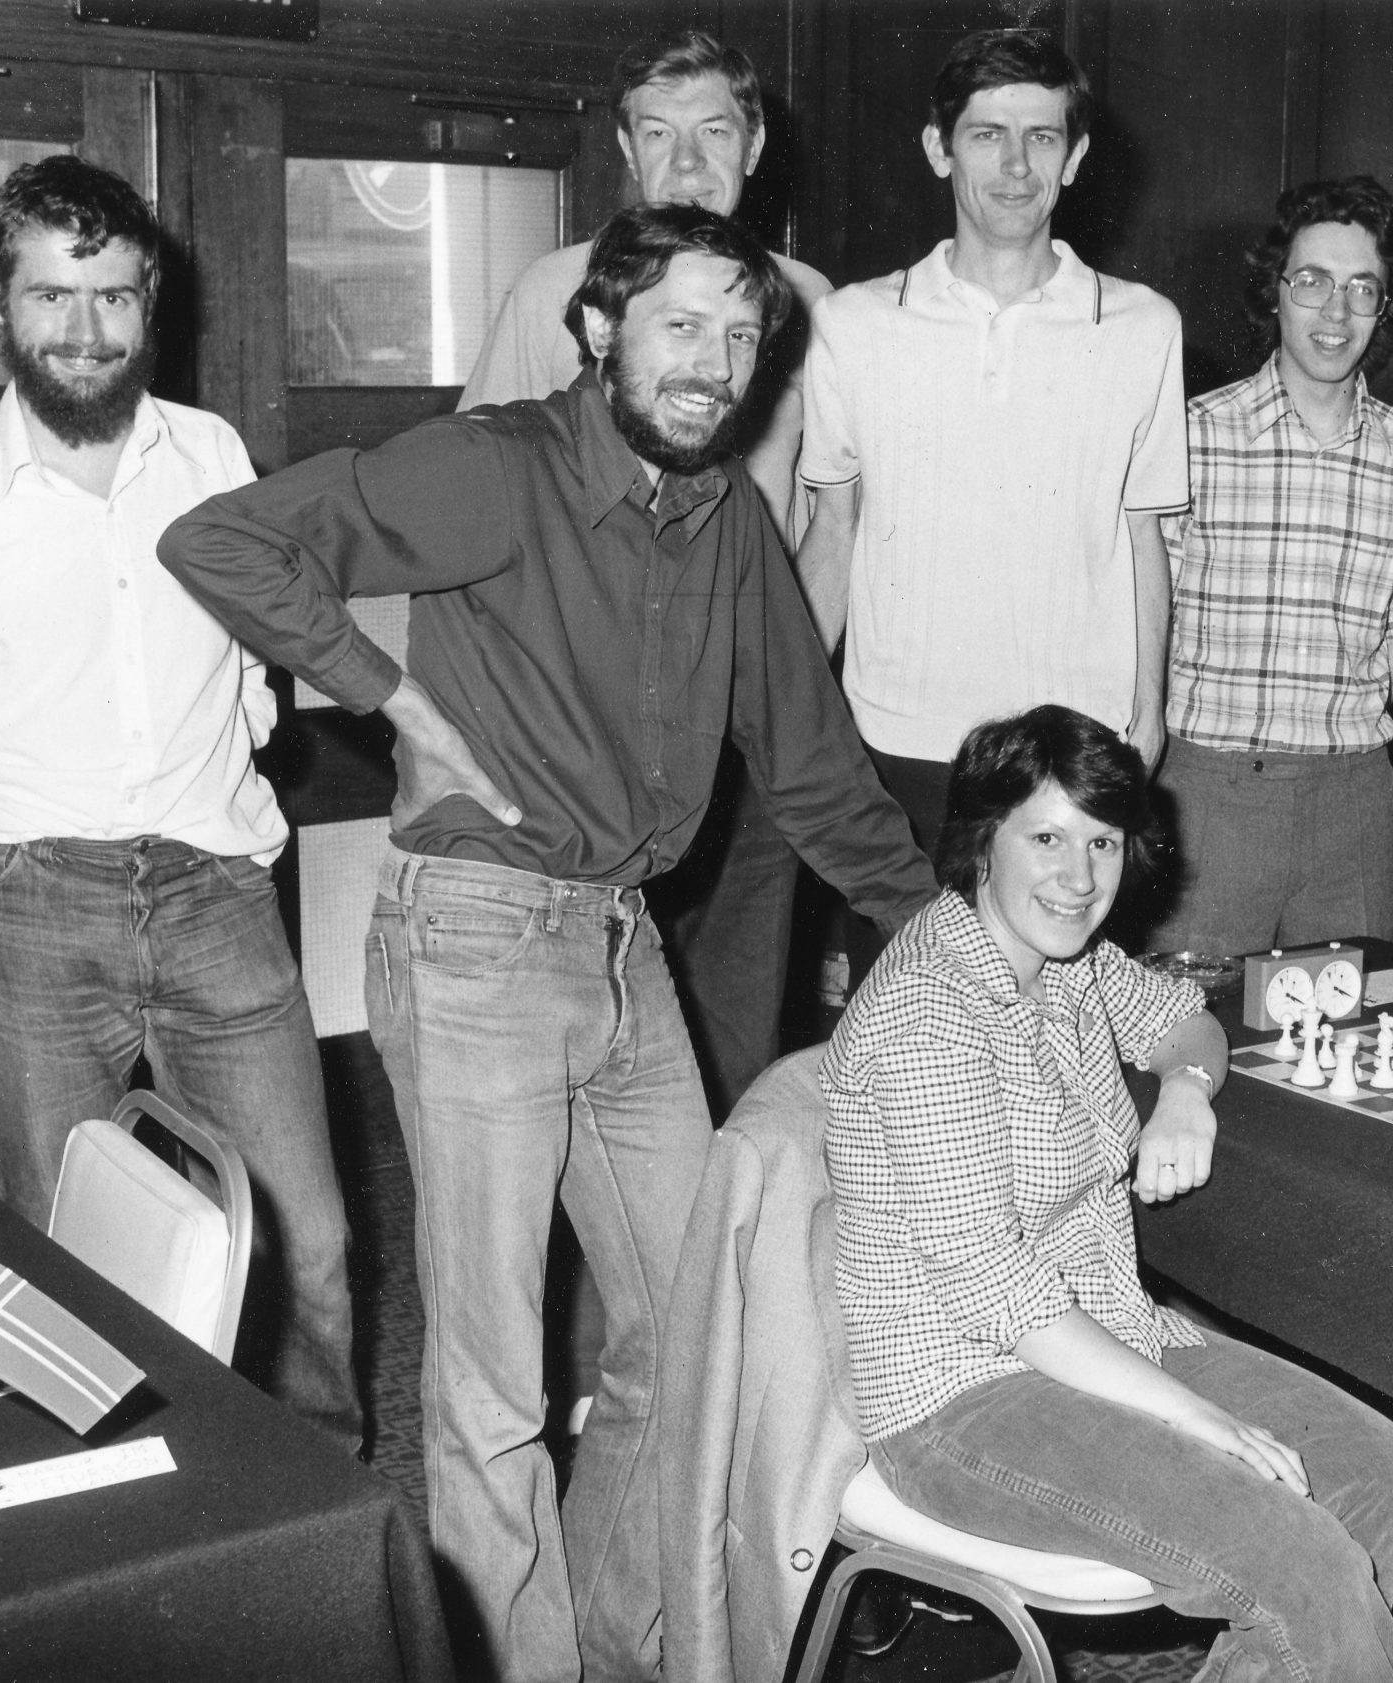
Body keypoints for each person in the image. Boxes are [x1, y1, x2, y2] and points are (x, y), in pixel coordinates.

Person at [158, 205, 937, 1683]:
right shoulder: (493, 467)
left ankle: (618, 1642)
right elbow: (226, 539)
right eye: (679, 323)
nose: (714, 361)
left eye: (740, 330)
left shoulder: (729, 523)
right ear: (599, 330)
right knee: (491, 1385)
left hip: (626, 948)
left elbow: (822, 777)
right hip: (474, 947)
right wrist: (396, 698)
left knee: (684, 1331)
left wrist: (973, 951)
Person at [0, 156, 358, 1451]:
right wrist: (52, 808)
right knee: (62, 1268)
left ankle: (317, 1527)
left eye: (116, 297)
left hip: (218, 898)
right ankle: (117, 1534)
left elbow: (257, 674)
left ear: (153, 301)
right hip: (33, 910)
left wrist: (213, 771)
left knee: (308, 1244)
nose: (87, 331)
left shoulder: (213, 454)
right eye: (52, 296)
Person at [821, 705, 1393, 1680]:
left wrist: (1185, 1094)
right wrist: (1197, 1419)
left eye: (1101, 841)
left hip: (1106, 1333)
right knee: (1299, 1563)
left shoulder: (1067, 965)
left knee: (1375, 1472)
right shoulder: (927, 1015)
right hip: (962, 1400)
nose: (1078, 877)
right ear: (983, 841)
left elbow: (1185, 1018)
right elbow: (995, 1293)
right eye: (1047, 838)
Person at [463, 25, 831, 1114]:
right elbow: (486, 499)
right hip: (591, 730)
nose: (686, 162)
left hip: (744, 728)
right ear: (625, 146)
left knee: (736, 1037)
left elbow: (839, 512)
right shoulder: (554, 293)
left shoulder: (811, 303)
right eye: (657, 133)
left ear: (753, 147)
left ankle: (720, 1276)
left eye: (713, 131)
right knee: (588, 1050)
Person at [796, 28, 1189, 847]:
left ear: (1073, 158)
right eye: (988, 135)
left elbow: (1145, 534)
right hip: (901, 741)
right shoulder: (854, 323)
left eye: (1041, 137)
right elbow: (833, 532)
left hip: (1075, 738)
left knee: (1062, 978)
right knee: (908, 975)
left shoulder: (1143, 326)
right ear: (940, 149)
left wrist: (1149, 710)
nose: (1016, 166)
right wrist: (793, 720)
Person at [1152, 175, 1393, 955]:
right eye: (1313, 281)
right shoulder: (1193, 437)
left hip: (1352, 803)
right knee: (1189, 1037)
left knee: (1345, 1047)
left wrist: (1324, 723)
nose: (1336, 312)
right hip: (1210, 794)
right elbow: (1145, 613)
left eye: (1363, 289)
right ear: (1276, 290)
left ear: (1384, 309)